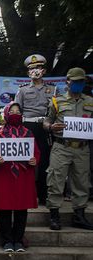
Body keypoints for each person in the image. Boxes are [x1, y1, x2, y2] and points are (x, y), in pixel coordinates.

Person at [0, 102, 40, 252]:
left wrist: (35, 160)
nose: (15, 114)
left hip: (23, 176)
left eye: (18, 111)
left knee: (22, 209)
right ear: (6, 114)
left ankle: (19, 240)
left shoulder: (28, 134)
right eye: (12, 111)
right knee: (5, 209)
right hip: (4, 177)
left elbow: (36, 153)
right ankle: (7, 241)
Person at [43, 67, 93, 230]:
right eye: (75, 81)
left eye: (81, 81)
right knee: (56, 180)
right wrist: (51, 127)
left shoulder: (90, 102)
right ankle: (54, 216)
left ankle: (79, 216)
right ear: (68, 82)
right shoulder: (57, 101)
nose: (78, 84)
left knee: (82, 182)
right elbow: (46, 121)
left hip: (82, 148)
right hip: (61, 147)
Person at [14, 54, 54, 205]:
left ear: (43, 71)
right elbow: (17, 111)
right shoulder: (22, 91)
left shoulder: (52, 89)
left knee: (44, 161)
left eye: (38, 68)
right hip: (27, 128)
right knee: (24, 160)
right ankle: (24, 193)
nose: (35, 71)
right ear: (28, 72)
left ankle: (42, 194)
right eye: (31, 69)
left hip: (45, 128)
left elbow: (55, 112)